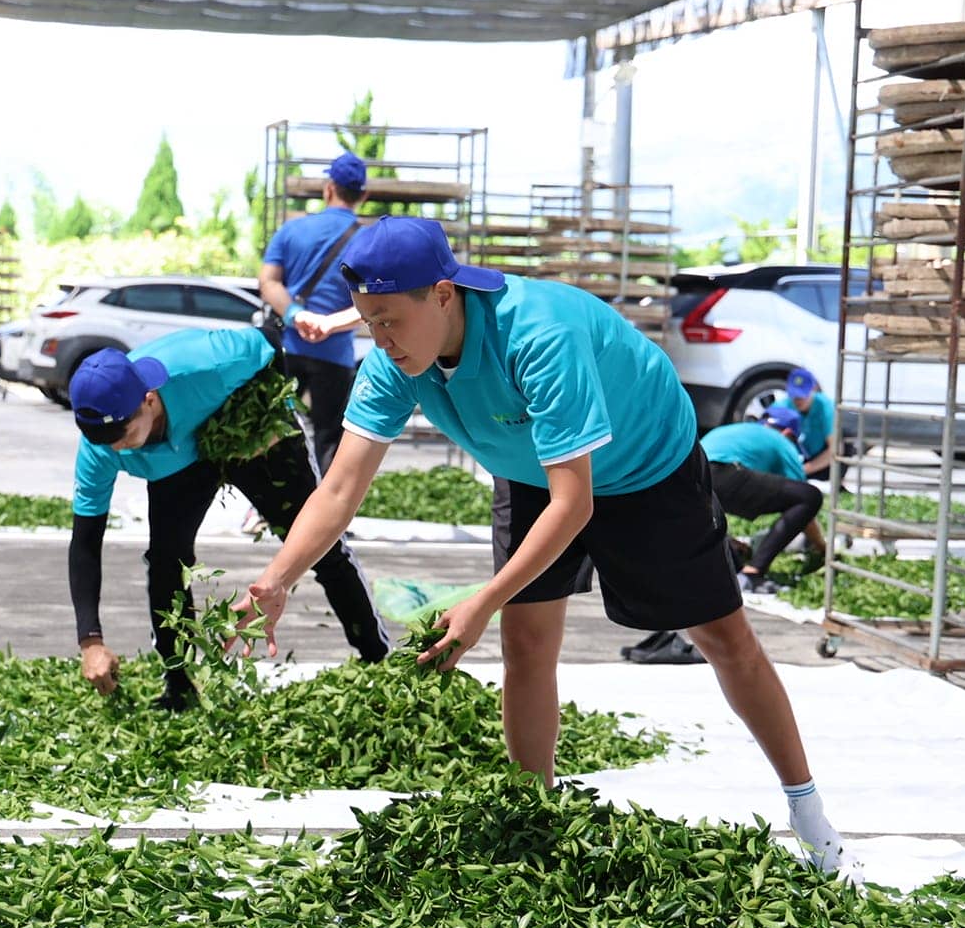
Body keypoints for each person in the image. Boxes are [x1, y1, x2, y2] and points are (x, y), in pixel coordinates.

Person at [227, 217, 844, 871]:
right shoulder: (393, 358)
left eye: (389, 321)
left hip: (645, 463)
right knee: (525, 641)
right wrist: (277, 579)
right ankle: (535, 822)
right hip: (529, 466)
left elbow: (573, 501)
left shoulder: (537, 335)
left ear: (443, 294)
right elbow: (339, 490)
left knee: (721, 637)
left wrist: (483, 600)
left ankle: (808, 812)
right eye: (366, 322)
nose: (379, 340)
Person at [69, 327, 390, 709]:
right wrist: (90, 641)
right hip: (177, 465)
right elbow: (86, 540)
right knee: (166, 561)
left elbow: (270, 343)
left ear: (149, 401)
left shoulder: (210, 362)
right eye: (105, 443)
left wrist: (267, 418)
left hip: (249, 438)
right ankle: (180, 686)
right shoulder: (100, 449)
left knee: (319, 544)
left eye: (122, 436)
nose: (116, 451)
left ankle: (378, 663)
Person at [260, 153, 369, 476]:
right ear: (363, 195)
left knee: (273, 429)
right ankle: (326, 517)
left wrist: (296, 315)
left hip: (287, 349)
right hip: (335, 355)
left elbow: (268, 282)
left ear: (328, 188)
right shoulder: (367, 241)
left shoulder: (292, 230)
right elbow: (376, 302)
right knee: (329, 437)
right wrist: (330, 324)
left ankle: (268, 508)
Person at [702, 404, 828, 592]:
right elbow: (804, 508)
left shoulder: (735, 431)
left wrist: (730, 540)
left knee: (733, 551)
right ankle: (753, 573)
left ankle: (736, 566)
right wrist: (822, 548)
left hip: (693, 477)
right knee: (809, 496)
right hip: (724, 473)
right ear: (788, 433)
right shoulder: (782, 442)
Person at [784, 367, 838, 479]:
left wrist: (803, 470)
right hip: (794, 457)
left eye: (802, 395)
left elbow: (834, 449)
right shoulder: (782, 406)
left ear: (814, 389)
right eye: (795, 395)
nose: (798, 399)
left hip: (818, 460)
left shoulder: (825, 407)